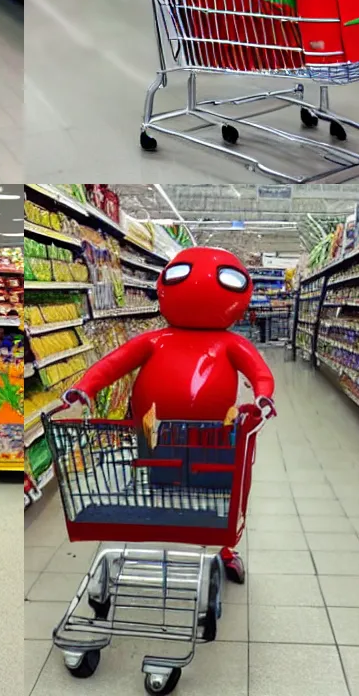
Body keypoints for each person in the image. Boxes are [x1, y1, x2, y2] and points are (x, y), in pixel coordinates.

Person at [60, 246, 276, 583]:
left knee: (210, 486)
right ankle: (210, 540)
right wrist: (86, 386)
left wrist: (264, 396)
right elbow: (113, 365)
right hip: (158, 433)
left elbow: (260, 373)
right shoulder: (154, 340)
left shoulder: (229, 344)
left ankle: (221, 546)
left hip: (208, 434)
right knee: (173, 481)